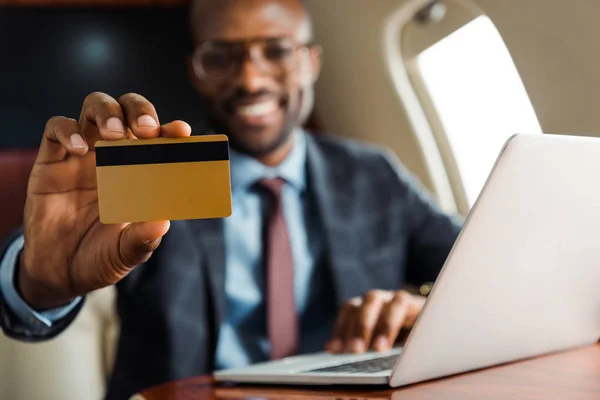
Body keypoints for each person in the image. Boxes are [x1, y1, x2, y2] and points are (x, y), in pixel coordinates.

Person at [0, 0, 461, 398]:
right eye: (221, 56)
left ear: (311, 62)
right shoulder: (155, 172)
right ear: (196, 71)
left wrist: (425, 306)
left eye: (277, 51)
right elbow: (49, 266)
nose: (250, 78)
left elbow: (477, 269)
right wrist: (40, 285)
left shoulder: (372, 174)